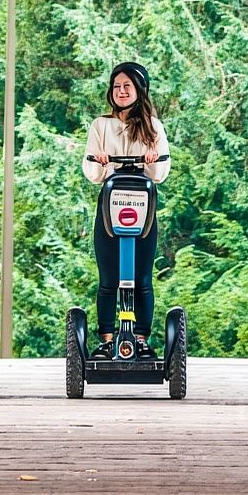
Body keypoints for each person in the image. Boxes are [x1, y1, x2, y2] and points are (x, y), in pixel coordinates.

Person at [82, 62, 171, 360]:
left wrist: (152, 158)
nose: (121, 91)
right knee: (109, 277)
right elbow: (92, 171)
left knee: (142, 278)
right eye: (117, 86)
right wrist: (103, 162)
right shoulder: (101, 125)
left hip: (143, 208)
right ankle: (108, 339)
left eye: (127, 86)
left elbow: (160, 172)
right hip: (110, 207)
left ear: (139, 90)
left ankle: (141, 340)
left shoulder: (153, 127)